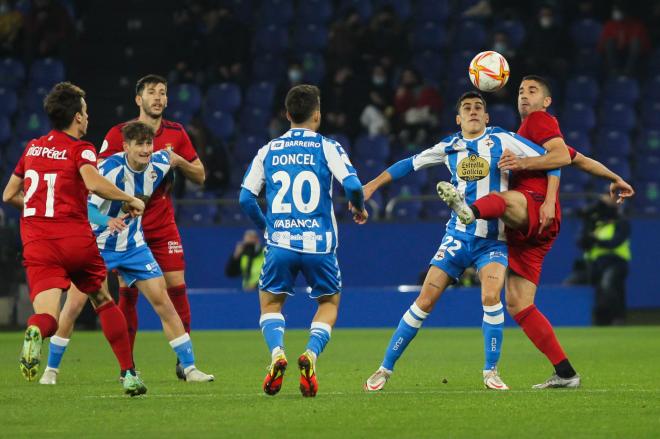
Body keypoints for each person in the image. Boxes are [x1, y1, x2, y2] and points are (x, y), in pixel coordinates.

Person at [438, 75, 634, 389]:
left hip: (533, 207)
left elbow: (556, 157)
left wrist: (544, 191)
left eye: (533, 91)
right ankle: (567, 373)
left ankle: (467, 212)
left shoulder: (539, 120)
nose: (524, 96)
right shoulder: (525, 134)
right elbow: (576, 158)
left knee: (499, 200)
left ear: (546, 102)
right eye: (520, 91)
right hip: (529, 229)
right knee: (519, 304)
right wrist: (614, 177)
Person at [363, 91, 561, 392]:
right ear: (458, 118)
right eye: (466, 108)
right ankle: (384, 369)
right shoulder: (449, 145)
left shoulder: (502, 139)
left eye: (478, 107)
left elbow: (553, 160)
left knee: (491, 297)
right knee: (425, 301)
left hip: (492, 240)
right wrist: (373, 185)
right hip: (456, 237)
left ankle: (491, 372)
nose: (472, 111)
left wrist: (547, 198)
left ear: (486, 117)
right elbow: (409, 164)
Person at [39, 121, 214, 385]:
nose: (146, 150)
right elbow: (84, 206)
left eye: (148, 144)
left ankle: (190, 369)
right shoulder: (108, 169)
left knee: (163, 302)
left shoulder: (160, 162)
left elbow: (179, 163)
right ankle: (50, 371)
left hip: (133, 246)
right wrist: (105, 220)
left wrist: (179, 161)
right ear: (126, 147)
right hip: (96, 245)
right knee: (74, 306)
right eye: (139, 145)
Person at [1, 82, 147, 396]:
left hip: (38, 242)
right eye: (85, 111)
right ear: (77, 118)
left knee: (48, 317)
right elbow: (93, 183)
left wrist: (41, 207)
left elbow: (9, 194)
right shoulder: (81, 148)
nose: (88, 116)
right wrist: (129, 199)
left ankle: (35, 331)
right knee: (103, 300)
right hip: (74, 239)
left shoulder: (33, 147)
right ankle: (129, 374)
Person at [239, 84, 368, 397]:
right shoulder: (328, 147)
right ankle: (310, 354)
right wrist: (359, 206)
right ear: (317, 114)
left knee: (270, 304)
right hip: (319, 246)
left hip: (280, 242)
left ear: (287, 114)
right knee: (329, 303)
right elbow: (352, 184)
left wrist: (268, 227)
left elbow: (245, 198)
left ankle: (277, 353)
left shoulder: (267, 150)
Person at [99, 74, 206, 380]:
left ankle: (185, 364)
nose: (158, 98)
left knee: (177, 289)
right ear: (138, 99)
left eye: (162, 93)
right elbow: (97, 178)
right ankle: (127, 367)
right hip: (127, 228)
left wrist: (177, 161)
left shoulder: (176, 132)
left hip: (161, 224)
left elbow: (200, 175)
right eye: (151, 93)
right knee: (127, 292)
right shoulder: (119, 133)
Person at [581, 196, 631, 325]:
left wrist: (595, 240)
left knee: (607, 284)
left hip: (616, 262)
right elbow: (581, 242)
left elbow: (615, 242)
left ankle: (616, 319)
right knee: (574, 284)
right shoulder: (595, 223)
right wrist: (587, 226)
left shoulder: (622, 222)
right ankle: (597, 320)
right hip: (595, 264)